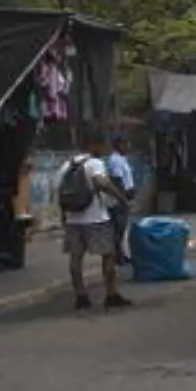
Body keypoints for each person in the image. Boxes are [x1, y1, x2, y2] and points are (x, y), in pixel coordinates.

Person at [60, 131, 131, 312]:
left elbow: (59, 195)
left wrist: (64, 219)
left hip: (72, 220)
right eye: (101, 145)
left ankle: (81, 296)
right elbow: (102, 183)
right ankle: (111, 294)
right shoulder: (94, 163)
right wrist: (121, 198)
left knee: (76, 258)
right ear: (94, 145)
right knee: (108, 255)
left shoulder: (65, 166)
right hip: (96, 219)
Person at [106, 135, 136, 267]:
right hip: (119, 200)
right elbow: (117, 180)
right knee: (118, 228)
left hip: (123, 198)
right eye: (126, 144)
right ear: (119, 145)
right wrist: (123, 199)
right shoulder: (115, 160)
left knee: (122, 229)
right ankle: (117, 256)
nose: (128, 147)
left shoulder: (121, 159)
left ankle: (121, 255)